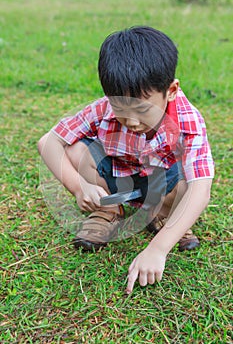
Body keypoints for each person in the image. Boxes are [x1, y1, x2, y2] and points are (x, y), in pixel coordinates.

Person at [38, 26, 214, 294]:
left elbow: (202, 189)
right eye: (121, 109)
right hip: (117, 180)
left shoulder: (189, 121)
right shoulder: (103, 108)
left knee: (191, 183)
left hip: (163, 185)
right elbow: (48, 141)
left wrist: (157, 249)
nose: (131, 122)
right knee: (74, 150)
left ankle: (165, 217)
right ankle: (107, 210)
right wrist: (78, 187)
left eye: (142, 110)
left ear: (172, 90)